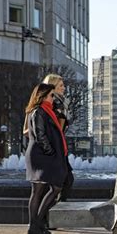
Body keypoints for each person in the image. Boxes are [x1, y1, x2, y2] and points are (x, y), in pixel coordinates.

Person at [24, 83, 68, 234]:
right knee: (42, 189)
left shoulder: (48, 111)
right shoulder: (38, 112)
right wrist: (50, 151)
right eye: (50, 95)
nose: (52, 98)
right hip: (40, 155)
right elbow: (39, 135)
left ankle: (35, 225)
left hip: (43, 155)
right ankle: (35, 225)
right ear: (42, 96)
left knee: (48, 189)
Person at [42, 73, 74, 202]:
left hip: (58, 147)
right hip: (56, 148)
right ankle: (52, 210)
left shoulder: (61, 103)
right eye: (61, 85)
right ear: (52, 87)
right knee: (65, 181)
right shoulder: (56, 105)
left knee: (64, 181)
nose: (64, 88)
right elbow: (58, 130)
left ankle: (52, 210)